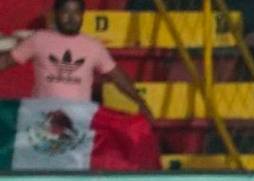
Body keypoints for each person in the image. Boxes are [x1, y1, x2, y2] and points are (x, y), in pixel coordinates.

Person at [0, 0, 151, 119]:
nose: (71, 18)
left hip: (78, 121)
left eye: (76, 12)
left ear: (82, 15)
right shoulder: (39, 39)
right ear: (56, 14)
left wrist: (139, 101)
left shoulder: (93, 46)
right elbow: (6, 61)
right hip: (40, 117)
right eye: (66, 12)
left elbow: (118, 76)